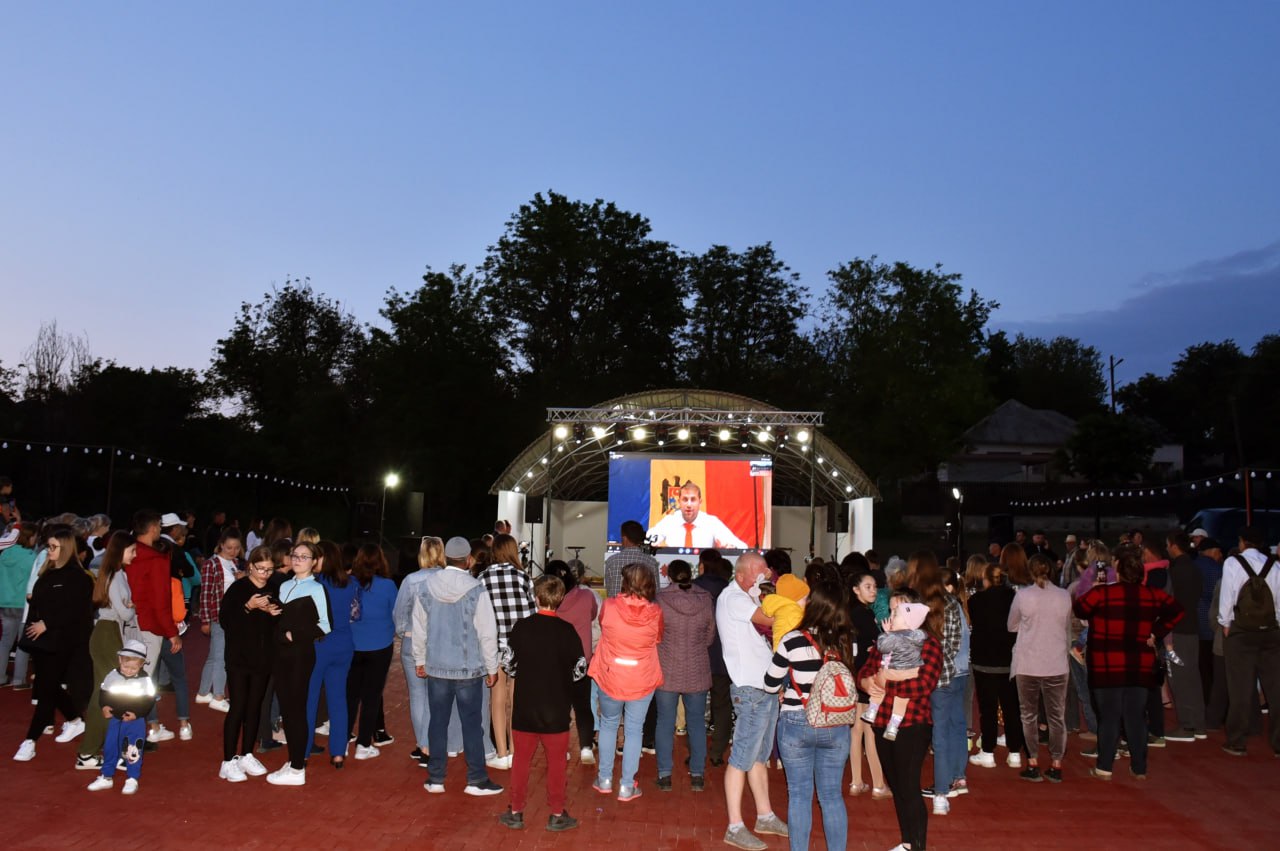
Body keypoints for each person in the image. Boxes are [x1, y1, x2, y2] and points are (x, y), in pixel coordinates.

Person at [1074, 545, 1183, 780]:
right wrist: (1157, 632)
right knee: (1136, 717)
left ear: (1119, 571)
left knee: (1109, 716)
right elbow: (1177, 610)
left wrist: (1095, 588)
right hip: (1138, 665)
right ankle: (1139, 767)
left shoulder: (1102, 594)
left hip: (1106, 665)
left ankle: (1104, 767)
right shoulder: (1150, 594)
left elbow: (1079, 608)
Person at [764, 579, 856, 851]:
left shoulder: (792, 640)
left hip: (796, 721)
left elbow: (770, 684)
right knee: (832, 796)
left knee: (799, 796)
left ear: (813, 605)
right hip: (836, 723)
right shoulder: (847, 642)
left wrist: (786, 688)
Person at [412, 535, 504, 797]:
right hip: (468, 670)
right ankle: (476, 779)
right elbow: (487, 633)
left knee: (437, 723)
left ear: (446, 558)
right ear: (469, 560)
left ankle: (436, 778)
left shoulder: (426, 587)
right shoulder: (476, 589)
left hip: (437, 667)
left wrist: (420, 659)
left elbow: (419, 627)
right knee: (472, 725)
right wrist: (491, 667)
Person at [859, 586, 944, 851]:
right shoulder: (885, 640)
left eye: (898, 609)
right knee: (897, 785)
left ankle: (917, 845)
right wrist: (866, 682)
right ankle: (908, 842)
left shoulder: (928, 644)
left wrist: (882, 684)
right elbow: (865, 670)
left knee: (908, 786)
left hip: (912, 724)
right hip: (882, 721)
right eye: (891, 609)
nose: (892, 614)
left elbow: (923, 684)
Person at [498, 576, 584, 833]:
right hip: (556, 709)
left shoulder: (522, 627)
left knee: (521, 761)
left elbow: (508, 663)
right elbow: (580, 669)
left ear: (535, 597)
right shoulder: (567, 630)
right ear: (561, 599)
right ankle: (557, 813)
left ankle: (516, 811)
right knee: (557, 763)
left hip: (526, 706)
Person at [716, 552, 788, 851]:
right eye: (760, 571)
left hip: (765, 687)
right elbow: (771, 619)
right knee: (741, 758)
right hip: (749, 690)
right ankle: (734, 826)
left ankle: (765, 815)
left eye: (767, 571)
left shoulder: (750, 596)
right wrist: (791, 601)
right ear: (742, 574)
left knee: (759, 757)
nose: (765, 575)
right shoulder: (733, 598)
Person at [13, 526, 95, 762]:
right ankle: (75, 720)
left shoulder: (79, 578)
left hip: (65, 641)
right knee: (47, 685)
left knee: (46, 689)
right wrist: (33, 630)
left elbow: (76, 610)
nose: (48, 551)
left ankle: (30, 740)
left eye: (53, 547)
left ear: (65, 548)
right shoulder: (47, 575)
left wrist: (47, 623)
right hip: (42, 640)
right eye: (48, 546)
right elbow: (38, 605)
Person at [589, 563, 664, 802]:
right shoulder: (655, 612)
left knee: (608, 724)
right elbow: (658, 638)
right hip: (641, 678)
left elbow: (604, 625)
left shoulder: (609, 606)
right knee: (634, 730)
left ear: (625, 583)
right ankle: (627, 786)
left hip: (611, 675)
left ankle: (604, 779)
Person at [267, 541, 329, 786]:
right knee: (287, 709)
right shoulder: (284, 585)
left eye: (304, 556)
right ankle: (294, 761)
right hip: (280, 653)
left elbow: (326, 625)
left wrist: (295, 635)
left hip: (300, 655)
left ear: (314, 562)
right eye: (295, 555)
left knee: (296, 710)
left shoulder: (317, 588)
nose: (298, 560)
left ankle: (297, 768)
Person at [1008, 553, 1073, 782]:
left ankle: (1033, 762)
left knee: (1028, 715)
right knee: (1056, 716)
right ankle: (1056, 763)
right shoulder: (1064, 595)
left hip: (1028, 663)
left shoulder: (1023, 595)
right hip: (1056, 662)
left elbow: (1011, 625)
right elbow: (1066, 625)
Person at [217, 545, 279, 782]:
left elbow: (276, 624)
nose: (265, 574)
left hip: (263, 659)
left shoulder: (273, 588)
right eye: (261, 569)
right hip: (239, 659)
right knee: (238, 706)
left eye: (269, 570)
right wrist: (248, 607)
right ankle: (227, 760)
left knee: (255, 707)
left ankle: (247, 754)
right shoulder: (239, 588)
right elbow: (226, 621)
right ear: (250, 566)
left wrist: (274, 613)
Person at [77, 532, 138, 771]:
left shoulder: (117, 574)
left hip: (110, 633)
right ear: (120, 550)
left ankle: (95, 750)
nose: (134, 555)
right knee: (106, 694)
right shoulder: (114, 576)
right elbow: (125, 612)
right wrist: (132, 608)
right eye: (131, 550)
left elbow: (124, 609)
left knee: (107, 693)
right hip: (107, 634)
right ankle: (88, 752)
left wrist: (129, 608)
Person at [915, 549, 970, 810]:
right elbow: (956, 641)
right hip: (957, 672)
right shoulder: (952, 603)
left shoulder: (925, 606)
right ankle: (957, 777)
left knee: (939, 733)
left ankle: (941, 791)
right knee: (956, 726)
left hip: (937, 677)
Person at [1218, 525, 1280, 757]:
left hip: (1241, 632)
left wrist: (1225, 623)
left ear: (1242, 541)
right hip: (1271, 631)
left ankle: (1237, 741)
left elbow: (1227, 597)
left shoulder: (1233, 563)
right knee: (1275, 689)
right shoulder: (1274, 565)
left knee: (1240, 688)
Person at [654, 559, 715, 793]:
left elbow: (656, 634)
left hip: (667, 669)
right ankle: (697, 775)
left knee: (665, 722)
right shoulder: (705, 599)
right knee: (697, 723)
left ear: (669, 576)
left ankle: (664, 775)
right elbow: (710, 636)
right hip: (697, 669)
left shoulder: (661, 599)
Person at [478, 534, 536, 770]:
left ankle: (501, 753)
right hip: (520, 645)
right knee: (516, 700)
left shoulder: (483, 577)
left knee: (497, 698)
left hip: (493, 645)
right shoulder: (523, 577)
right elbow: (532, 613)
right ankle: (515, 750)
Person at [396, 536, 451, 766]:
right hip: (438, 642)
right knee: (434, 697)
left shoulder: (411, 580)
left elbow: (400, 612)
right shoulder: (448, 580)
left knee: (417, 695)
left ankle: (422, 745)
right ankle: (428, 745)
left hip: (412, 640)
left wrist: (405, 631)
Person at [968, 561, 1024, 771]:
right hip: (1009, 659)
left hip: (984, 660)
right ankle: (1015, 752)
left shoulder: (975, 600)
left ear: (986, 579)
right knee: (1012, 708)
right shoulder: (1015, 598)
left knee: (988, 709)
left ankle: (988, 752)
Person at [306, 540, 357, 768]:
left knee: (310, 699)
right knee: (338, 700)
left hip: (319, 645)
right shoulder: (351, 583)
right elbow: (356, 614)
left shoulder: (313, 583)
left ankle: (304, 750)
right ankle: (338, 752)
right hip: (344, 645)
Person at [347, 543, 398, 760]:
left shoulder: (348, 583)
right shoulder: (388, 585)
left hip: (352, 646)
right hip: (380, 645)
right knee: (372, 696)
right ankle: (363, 744)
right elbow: (396, 613)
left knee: (350, 695)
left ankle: (342, 740)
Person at [545, 559, 598, 765]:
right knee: (583, 706)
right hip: (581, 660)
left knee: (559, 707)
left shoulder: (549, 600)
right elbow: (593, 615)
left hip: (555, 660)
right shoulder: (587, 596)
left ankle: (561, 749)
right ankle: (586, 748)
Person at [85, 639, 156, 795]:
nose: (129, 671)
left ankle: (132, 778)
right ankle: (106, 776)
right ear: (120, 660)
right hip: (116, 719)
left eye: (133, 668)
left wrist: (137, 713)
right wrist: (104, 706)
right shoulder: (112, 675)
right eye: (126, 666)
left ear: (141, 665)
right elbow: (104, 693)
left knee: (133, 748)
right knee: (110, 746)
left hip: (135, 721)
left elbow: (149, 700)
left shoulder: (145, 680)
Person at [861, 599, 930, 740]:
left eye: (895, 614)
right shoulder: (919, 636)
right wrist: (863, 682)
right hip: (911, 672)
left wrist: (886, 634)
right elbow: (866, 669)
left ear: (907, 621)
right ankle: (893, 726)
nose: (890, 617)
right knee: (901, 702)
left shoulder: (895, 636)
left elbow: (883, 647)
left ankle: (872, 710)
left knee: (879, 679)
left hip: (893, 672)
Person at [848, 570, 888, 798]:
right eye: (867, 587)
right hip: (867, 676)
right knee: (869, 730)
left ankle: (856, 782)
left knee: (857, 730)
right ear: (856, 590)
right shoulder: (861, 614)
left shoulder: (853, 612)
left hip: (856, 675)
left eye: (874, 587)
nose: (873, 591)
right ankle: (878, 784)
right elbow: (877, 643)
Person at [1163, 530, 1207, 742]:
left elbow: (1169, 601)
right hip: (1192, 628)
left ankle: (1187, 726)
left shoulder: (1174, 571)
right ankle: (1198, 724)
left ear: (1173, 545)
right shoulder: (1195, 568)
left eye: (1167, 545)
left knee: (1179, 679)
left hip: (1177, 631)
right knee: (1193, 677)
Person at [197, 529, 244, 713]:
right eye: (229, 547)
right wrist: (205, 620)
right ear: (221, 545)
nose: (233, 551)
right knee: (221, 657)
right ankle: (218, 696)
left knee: (214, 656)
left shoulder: (235, 563)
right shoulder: (212, 564)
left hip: (232, 616)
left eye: (237, 547)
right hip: (219, 616)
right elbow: (205, 593)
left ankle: (203, 693)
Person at [694, 551, 734, 766]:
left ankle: (696, 752)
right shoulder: (729, 589)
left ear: (701, 565)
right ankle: (717, 751)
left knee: (695, 707)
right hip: (722, 656)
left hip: (696, 654)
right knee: (722, 705)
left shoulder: (692, 588)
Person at [648, 481, 749, 549]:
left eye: (693, 500)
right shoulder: (669, 521)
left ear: (700, 502)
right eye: (685, 499)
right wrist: (652, 544)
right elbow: (648, 539)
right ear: (679, 502)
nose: (689, 504)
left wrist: (730, 548)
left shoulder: (712, 522)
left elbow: (743, 547)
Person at [0, 523, 37, 687]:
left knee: (5, 641)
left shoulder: (4, 554)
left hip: (4, 601)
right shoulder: (31, 557)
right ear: (30, 537)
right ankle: (19, 679)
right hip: (23, 604)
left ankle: (0, 677)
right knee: (23, 643)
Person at [603, 520, 660, 598]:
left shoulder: (611, 561)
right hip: (643, 605)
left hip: (616, 605)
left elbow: (609, 589)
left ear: (624, 539)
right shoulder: (651, 562)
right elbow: (656, 592)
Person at [760, 574, 809, 650]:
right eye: (805, 599)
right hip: (789, 651)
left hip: (782, 650)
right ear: (794, 600)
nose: (807, 602)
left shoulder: (784, 610)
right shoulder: (793, 613)